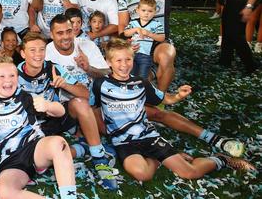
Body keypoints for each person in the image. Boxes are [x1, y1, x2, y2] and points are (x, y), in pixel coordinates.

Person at [90, 38, 254, 182]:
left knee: (190, 173)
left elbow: (164, 98)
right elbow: (93, 109)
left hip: (148, 136)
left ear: (133, 59)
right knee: (141, 174)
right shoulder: (99, 84)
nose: (124, 65)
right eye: (118, 61)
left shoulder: (141, 83)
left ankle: (222, 160)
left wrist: (178, 95)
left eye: (128, 59)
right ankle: (159, 159)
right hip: (124, 142)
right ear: (108, 62)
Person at [20, 30, 117, 190]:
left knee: (80, 103)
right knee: (37, 163)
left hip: (57, 116)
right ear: (23, 53)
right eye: (32, 50)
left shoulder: (53, 68)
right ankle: (81, 149)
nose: (38, 54)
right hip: (34, 126)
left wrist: (65, 85)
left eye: (42, 49)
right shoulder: (14, 75)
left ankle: (99, 157)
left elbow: (87, 95)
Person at [0, 57, 77, 199]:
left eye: (12, 75)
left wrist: (48, 105)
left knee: (59, 144)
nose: (7, 80)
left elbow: (61, 111)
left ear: (17, 78)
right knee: (4, 192)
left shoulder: (25, 97)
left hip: (34, 148)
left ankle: (69, 196)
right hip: (12, 158)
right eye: (1, 76)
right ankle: (71, 154)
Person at [123, 0, 165, 78]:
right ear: (137, 10)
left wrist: (149, 34)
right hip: (132, 53)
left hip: (145, 55)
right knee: (131, 75)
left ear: (155, 12)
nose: (146, 13)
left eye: (150, 11)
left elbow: (162, 38)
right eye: (143, 10)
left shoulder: (156, 24)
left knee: (143, 77)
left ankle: (142, 89)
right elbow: (126, 33)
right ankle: (132, 89)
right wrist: (136, 29)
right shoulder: (134, 22)